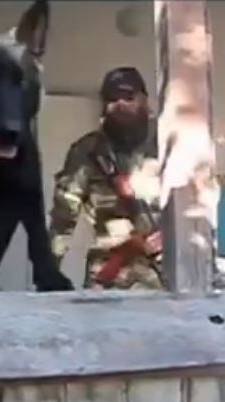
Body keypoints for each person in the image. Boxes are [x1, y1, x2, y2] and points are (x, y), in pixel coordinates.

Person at [48, 66, 164, 290]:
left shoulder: (168, 144)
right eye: (112, 99)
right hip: (111, 271)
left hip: (168, 271)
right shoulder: (87, 152)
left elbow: (198, 203)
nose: (120, 105)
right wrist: (49, 273)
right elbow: (63, 218)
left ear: (145, 100)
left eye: (129, 97)